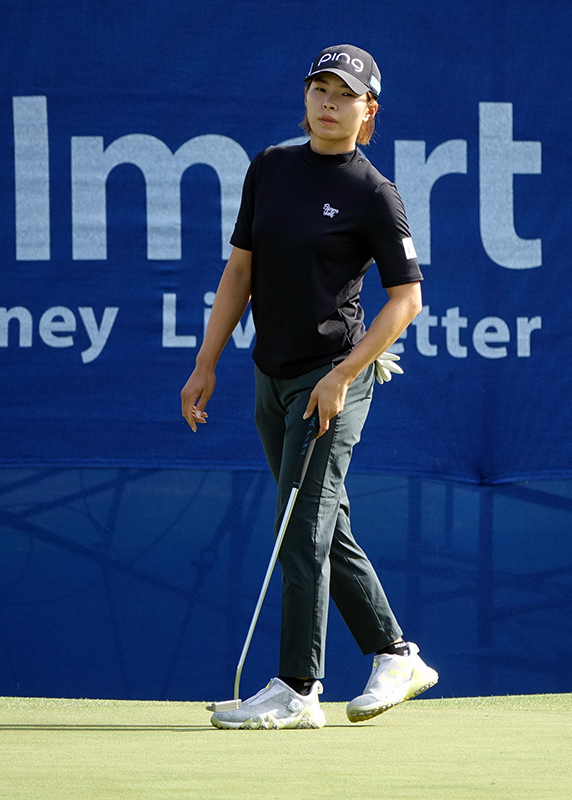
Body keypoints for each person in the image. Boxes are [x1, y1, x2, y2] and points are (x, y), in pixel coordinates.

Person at [180, 44, 438, 730]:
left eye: (344, 94)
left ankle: (299, 688)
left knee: (300, 528)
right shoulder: (269, 168)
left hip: (335, 379)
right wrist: (206, 362)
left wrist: (343, 377)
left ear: (367, 112)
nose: (328, 102)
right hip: (271, 376)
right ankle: (395, 653)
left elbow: (406, 299)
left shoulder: (372, 192)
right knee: (324, 525)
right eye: (318, 88)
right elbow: (240, 272)